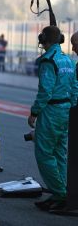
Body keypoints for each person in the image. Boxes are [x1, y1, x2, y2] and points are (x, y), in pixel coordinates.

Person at [28, 26, 78, 212]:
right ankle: (60, 193)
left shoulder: (49, 61)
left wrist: (34, 112)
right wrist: (73, 109)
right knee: (59, 153)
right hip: (67, 110)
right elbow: (75, 88)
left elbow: (45, 91)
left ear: (44, 40)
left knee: (44, 153)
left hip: (51, 111)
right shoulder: (68, 61)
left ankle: (60, 192)